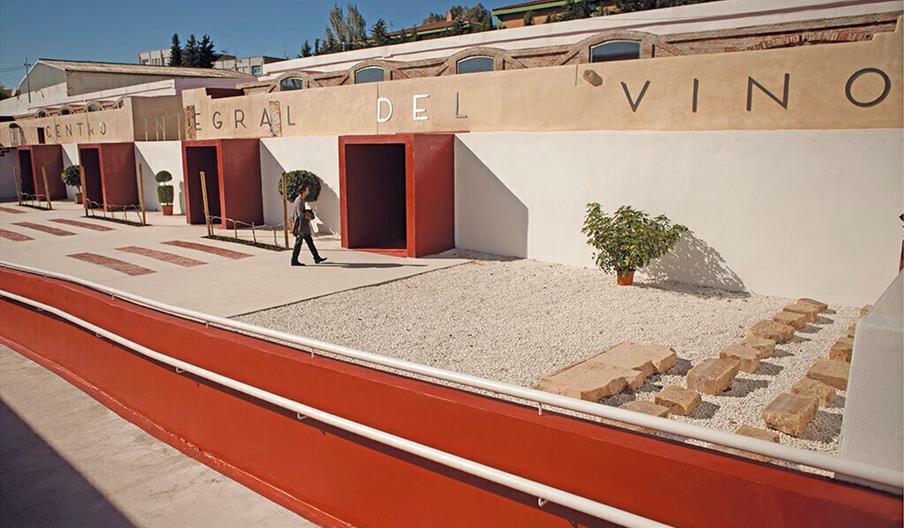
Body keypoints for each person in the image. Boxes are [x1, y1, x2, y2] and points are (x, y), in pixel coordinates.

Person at [290, 185, 327, 266]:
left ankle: (316, 257)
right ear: (303, 191)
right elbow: (300, 215)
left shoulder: (301, 200)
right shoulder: (299, 201)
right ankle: (294, 260)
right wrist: (309, 215)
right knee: (298, 244)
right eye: (307, 190)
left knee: (310, 242)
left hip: (304, 226)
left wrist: (308, 212)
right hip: (300, 227)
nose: (308, 191)